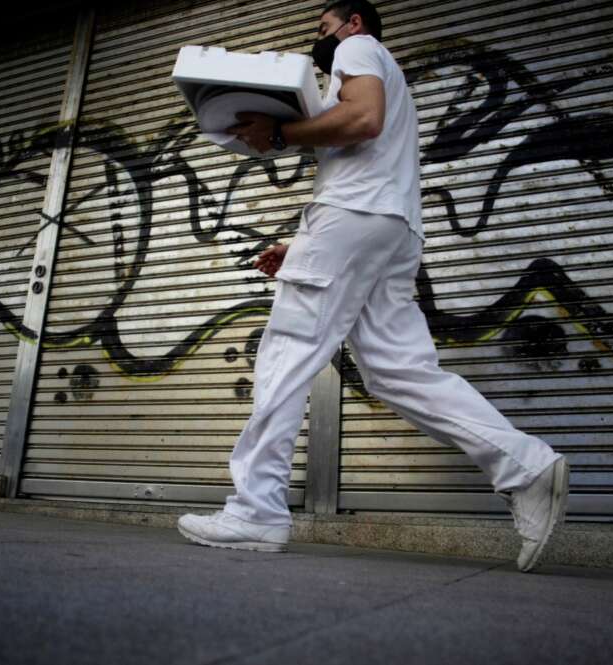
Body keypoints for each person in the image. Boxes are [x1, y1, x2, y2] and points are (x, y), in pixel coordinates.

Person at [177, 0, 569, 572]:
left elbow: (363, 121)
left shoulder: (357, 49)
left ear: (352, 23)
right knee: (398, 371)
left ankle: (256, 510)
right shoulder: (386, 70)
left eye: (323, 29)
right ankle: (526, 465)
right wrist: (305, 245)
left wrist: (281, 133)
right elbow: (367, 156)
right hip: (389, 226)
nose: (321, 41)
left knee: (288, 350)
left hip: (355, 218)